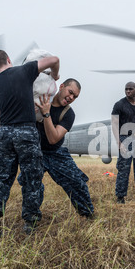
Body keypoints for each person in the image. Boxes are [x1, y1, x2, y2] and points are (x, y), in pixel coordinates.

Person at [0, 49, 60, 239]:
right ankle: (29, 223)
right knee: (31, 178)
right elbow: (54, 60)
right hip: (26, 131)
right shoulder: (24, 71)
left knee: (2, 178)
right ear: (9, 59)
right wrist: (56, 75)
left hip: (5, 134)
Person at [33, 78, 95, 220]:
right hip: (36, 152)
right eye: (70, 92)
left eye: (75, 96)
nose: (71, 98)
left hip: (56, 152)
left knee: (77, 182)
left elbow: (53, 139)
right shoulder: (40, 100)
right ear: (61, 87)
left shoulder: (69, 114)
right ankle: (31, 219)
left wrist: (46, 114)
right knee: (31, 184)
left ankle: (88, 216)